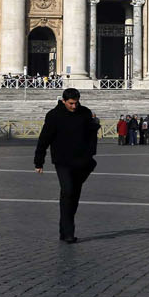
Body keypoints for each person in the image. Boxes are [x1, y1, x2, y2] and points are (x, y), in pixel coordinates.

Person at [33, 87, 99, 244]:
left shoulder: (85, 112)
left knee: (72, 195)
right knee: (68, 191)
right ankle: (69, 233)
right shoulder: (54, 116)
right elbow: (44, 139)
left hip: (81, 161)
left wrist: (95, 125)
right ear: (63, 101)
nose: (74, 106)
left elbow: (90, 134)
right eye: (71, 103)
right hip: (62, 161)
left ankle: (65, 230)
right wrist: (39, 161)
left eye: (76, 103)